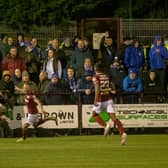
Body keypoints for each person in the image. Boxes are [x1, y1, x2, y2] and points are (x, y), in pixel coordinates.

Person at [92, 63, 127, 145]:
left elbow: (97, 89)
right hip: (108, 99)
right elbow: (112, 84)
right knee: (114, 118)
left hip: (100, 99)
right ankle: (123, 133)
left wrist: (95, 100)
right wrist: (113, 90)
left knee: (94, 115)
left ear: (95, 68)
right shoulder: (106, 76)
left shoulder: (96, 77)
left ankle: (106, 125)